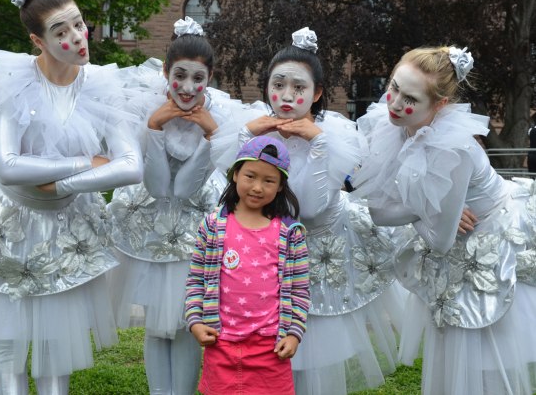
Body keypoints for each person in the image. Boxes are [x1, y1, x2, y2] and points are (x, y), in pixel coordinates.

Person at [0, 0, 143, 394]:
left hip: (67, 222)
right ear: (36, 40)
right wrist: (88, 163)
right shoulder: (13, 79)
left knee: (56, 345)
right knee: (8, 345)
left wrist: (61, 181)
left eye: (79, 24)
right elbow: (8, 167)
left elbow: (131, 166)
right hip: (9, 222)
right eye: (61, 31)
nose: (77, 37)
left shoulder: (101, 83)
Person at [211, 28, 406, 394]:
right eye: (278, 84)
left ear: (316, 93)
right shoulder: (254, 128)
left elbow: (309, 210)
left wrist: (316, 144)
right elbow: (241, 198)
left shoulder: (334, 134)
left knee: (315, 364)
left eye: (298, 88)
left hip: (319, 257)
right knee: (266, 362)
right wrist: (246, 140)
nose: (287, 96)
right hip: (265, 261)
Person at [352, 45, 536, 395]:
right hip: (451, 238)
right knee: (450, 341)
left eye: (409, 98)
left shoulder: (455, 148)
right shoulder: (392, 125)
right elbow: (378, 211)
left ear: (439, 106)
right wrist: (427, 209)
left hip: (489, 240)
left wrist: (424, 212)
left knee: (480, 349)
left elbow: (440, 240)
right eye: (393, 87)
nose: (393, 103)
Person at [107, 16, 236, 394]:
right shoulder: (145, 107)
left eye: (199, 78)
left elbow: (184, 191)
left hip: (195, 230)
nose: (188, 87)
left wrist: (212, 136)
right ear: (165, 71)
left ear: (210, 77)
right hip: (149, 225)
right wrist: (153, 129)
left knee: (186, 323)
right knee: (156, 325)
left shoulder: (221, 116)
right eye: (180, 75)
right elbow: (160, 187)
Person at [185, 135, 309, 395]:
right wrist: (195, 321)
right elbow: (197, 279)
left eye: (268, 181)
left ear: (280, 187)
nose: (257, 187)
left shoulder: (290, 233)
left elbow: (299, 290)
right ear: (234, 174)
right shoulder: (213, 226)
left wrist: (294, 333)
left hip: (270, 349)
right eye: (250, 176)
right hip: (221, 344)